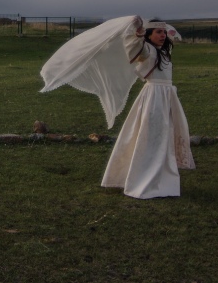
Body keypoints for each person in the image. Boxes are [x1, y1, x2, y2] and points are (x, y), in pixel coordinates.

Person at [40, 16, 194, 199]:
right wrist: (136, 31)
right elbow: (135, 47)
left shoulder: (163, 52)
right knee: (151, 135)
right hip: (154, 97)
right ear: (149, 35)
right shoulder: (147, 50)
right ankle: (146, 178)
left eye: (163, 32)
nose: (162, 35)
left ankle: (162, 176)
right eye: (158, 32)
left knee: (164, 134)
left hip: (167, 96)